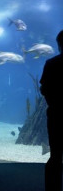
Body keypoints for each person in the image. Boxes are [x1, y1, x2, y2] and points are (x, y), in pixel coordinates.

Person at [40, 30, 63, 191]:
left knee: (55, 156)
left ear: (59, 44)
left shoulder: (51, 63)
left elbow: (43, 89)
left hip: (56, 115)